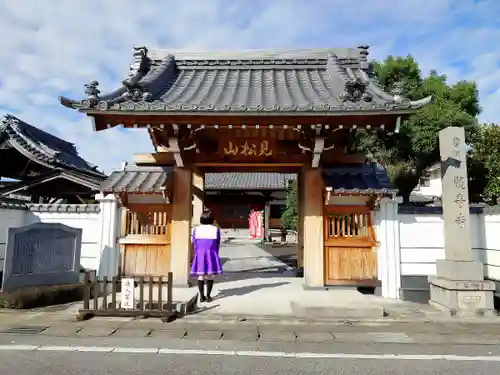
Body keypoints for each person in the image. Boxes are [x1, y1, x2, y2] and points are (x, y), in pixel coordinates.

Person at [190, 210, 223, 302]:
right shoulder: (215, 229)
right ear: (212, 219)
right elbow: (217, 243)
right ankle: (208, 296)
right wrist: (216, 253)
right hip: (211, 253)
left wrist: (196, 253)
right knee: (210, 275)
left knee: (200, 276)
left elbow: (194, 243)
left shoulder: (196, 229)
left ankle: (201, 296)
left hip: (200, 253)